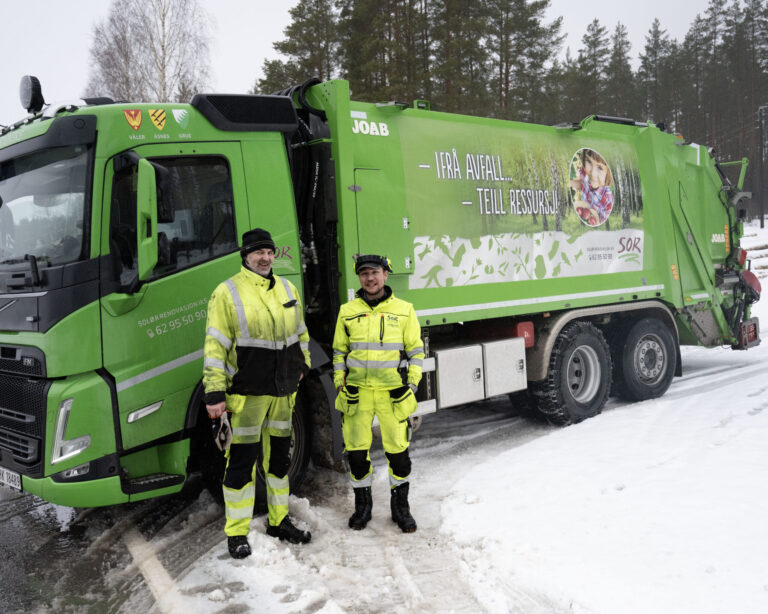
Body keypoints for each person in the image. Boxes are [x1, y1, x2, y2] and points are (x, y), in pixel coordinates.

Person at [203, 227, 312, 559]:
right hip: (246, 396)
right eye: (258, 253)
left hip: (282, 395)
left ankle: (279, 521)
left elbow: (301, 333)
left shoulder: (288, 288)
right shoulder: (226, 293)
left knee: (279, 463)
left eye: (269, 252)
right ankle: (236, 533)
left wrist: (302, 366)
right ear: (245, 256)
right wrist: (214, 393)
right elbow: (215, 347)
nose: (265, 258)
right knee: (240, 465)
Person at [332, 254, 424, 532]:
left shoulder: (404, 310)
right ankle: (363, 507)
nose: (369, 278)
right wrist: (340, 384)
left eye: (374, 272)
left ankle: (401, 508)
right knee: (357, 454)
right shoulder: (347, 311)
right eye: (364, 274)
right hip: (357, 394)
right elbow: (339, 352)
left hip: (392, 394)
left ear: (385, 274)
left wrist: (412, 385)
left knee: (399, 454)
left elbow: (416, 351)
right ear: (359, 278)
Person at [569, 148, 614, 226]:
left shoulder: (607, 200)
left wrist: (593, 216)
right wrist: (569, 183)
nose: (593, 173)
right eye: (589, 161)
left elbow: (602, 224)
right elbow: (582, 184)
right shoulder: (584, 173)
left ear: (609, 173)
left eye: (600, 168)